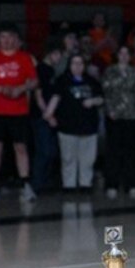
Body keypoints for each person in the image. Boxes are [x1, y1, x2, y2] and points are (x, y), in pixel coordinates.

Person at [0, 22, 38, 203]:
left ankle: (26, 185)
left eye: (10, 37)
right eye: (3, 37)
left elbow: (34, 81)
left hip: (19, 111)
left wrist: (21, 88)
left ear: (16, 40)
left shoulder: (24, 58)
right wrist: (0, 89)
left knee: (20, 147)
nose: (7, 41)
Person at [44, 54, 104, 192]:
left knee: (87, 159)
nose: (77, 67)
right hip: (67, 126)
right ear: (69, 65)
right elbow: (55, 98)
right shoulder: (62, 80)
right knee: (68, 158)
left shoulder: (91, 81)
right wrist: (49, 115)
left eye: (80, 63)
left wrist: (93, 101)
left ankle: (85, 184)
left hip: (88, 126)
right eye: (74, 63)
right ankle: (69, 185)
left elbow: (101, 98)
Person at [100, 46, 135, 199]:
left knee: (131, 151)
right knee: (113, 151)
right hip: (115, 115)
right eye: (121, 53)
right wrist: (109, 110)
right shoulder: (110, 71)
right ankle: (112, 184)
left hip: (132, 115)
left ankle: (132, 183)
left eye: (126, 53)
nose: (123, 56)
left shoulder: (134, 72)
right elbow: (106, 92)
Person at [30, 42, 62, 194]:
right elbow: (38, 95)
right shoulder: (41, 70)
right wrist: (47, 115)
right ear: (50, 53)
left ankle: (45, 182)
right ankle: (37, 183)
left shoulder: (52, 70)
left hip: (50, 115)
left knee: (51, 151)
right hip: (41, 116)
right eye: (57, 54)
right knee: (44, 151)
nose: (59, 58)